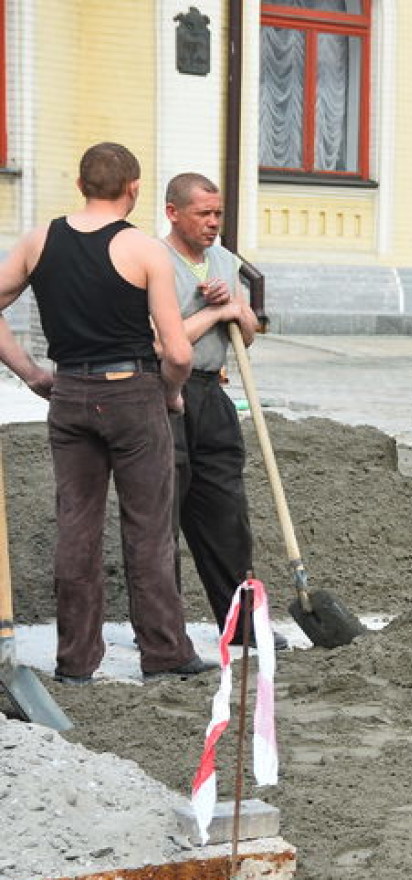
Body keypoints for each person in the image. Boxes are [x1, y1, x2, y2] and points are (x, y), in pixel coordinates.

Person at [0, 142, 212, 684]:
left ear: (80, 185)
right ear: (135, 188)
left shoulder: (38, 240)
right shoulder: (143, 249)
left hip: (68, 394)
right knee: (148, 529)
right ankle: (164, 654)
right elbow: (180, 352)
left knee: (76, 528)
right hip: (132, 393)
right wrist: (170, 393)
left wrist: (30, 372)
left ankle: (75, 662)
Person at [162, 172, 287, 651]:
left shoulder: (223, 260)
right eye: (204, 214)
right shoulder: (157, 262)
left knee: (226, 514)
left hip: (212, 394)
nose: (214, 223)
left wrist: (238, 310)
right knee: (163, 517)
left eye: (218, 214)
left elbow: (247, 334)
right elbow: (161, 342)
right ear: (174, 213)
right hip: (167, 393)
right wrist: (212, 312)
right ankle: (164, 636)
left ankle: (242, 625)